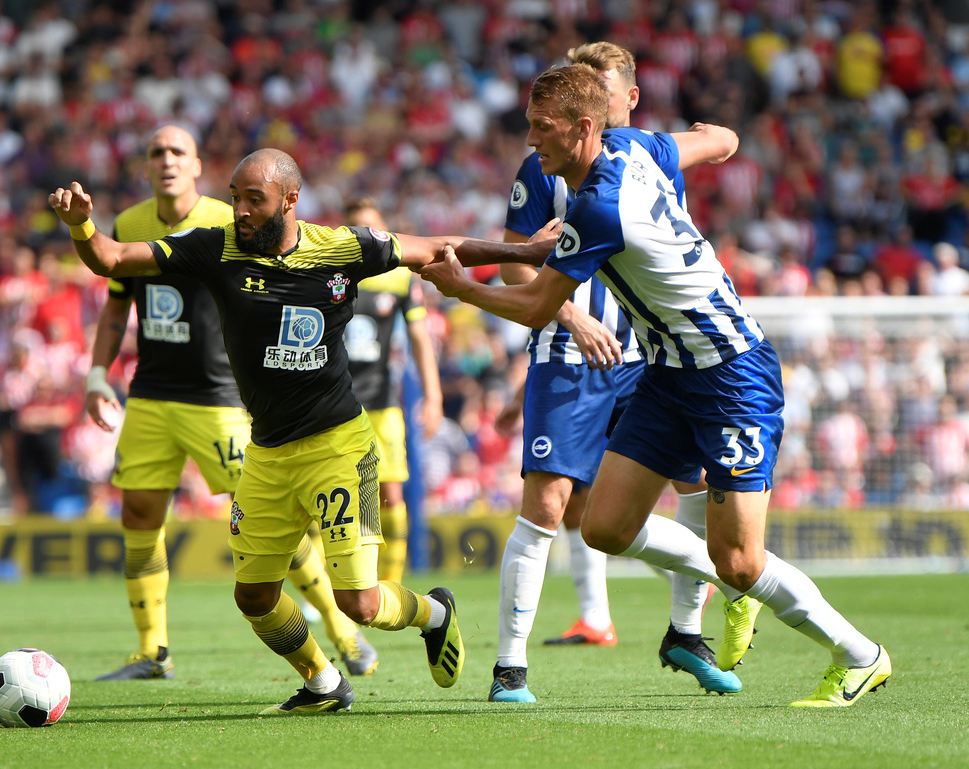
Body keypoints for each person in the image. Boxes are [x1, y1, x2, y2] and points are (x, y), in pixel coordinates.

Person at [423, 64, 890, 708]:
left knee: (741, 563)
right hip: (668, 373)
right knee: (605, 528)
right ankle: (706, 592)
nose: (531, 140)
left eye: (542, 128)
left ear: (583, 127)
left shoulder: (600, 206)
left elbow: (535, 305)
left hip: (730, 375)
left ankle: (859, 654)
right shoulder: (637, 146)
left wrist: (460, 287)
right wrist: (719, 137)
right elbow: (709, 144)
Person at [51, 147, 553, 714]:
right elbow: (113, 258)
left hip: (342, 448)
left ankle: (435, 613)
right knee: (254, 597)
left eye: (253, 199)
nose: (240, 210)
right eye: (235, 197)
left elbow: (440, 248)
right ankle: (323, 681)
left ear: (290, 200)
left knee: (361, 605)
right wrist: (81, 225)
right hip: (267, 453)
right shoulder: (215, 247)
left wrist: (525, 251)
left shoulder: (343, 247)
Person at [489, 42, 740, 703]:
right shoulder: (544, 163)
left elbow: (720, 144)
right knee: (549, 504)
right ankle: (509, 669)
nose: (592, 96)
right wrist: (571, 315)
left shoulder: (652, 154)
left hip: (648, 355)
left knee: (694, 481)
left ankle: (687, 630)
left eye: (601, 86)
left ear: (626, 98)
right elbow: (515, 262)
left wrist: (719, 137)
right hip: (570, 352)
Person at [85, 126, 372, 682]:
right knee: (138, 513)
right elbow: (117, 303)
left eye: (178, 152)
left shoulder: (231, 220)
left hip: (219, 397)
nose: (166, 160)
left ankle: (345, 633)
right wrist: (98, 374)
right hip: (151, 392)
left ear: (197, 166)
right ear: (145, 167)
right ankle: (152, 651)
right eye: (155, 152)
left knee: (273, 523)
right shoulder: (129, 225)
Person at [343, 198, 443, 584]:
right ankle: (328, 589)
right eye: (356, 229)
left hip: (382, 402)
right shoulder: (328, 272)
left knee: (390, 495)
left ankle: (391, 585)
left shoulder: (399, 277)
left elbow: (420, 338)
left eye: (371, 229)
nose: (364, 237)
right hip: (331, 403)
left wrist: (433, 396)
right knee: (329, 493)